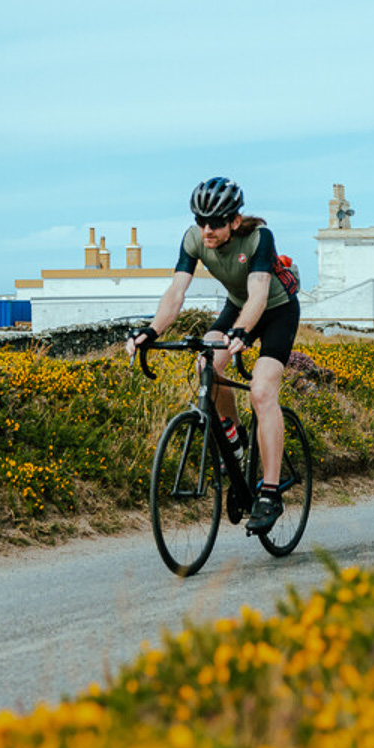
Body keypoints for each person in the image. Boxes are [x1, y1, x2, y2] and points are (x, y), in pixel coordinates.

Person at [127, 177, 300, 533]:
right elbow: (177, 292)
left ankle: (269, 491)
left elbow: (259, 294)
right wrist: (151, 330)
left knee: (262, 391)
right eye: (200, 220)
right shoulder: (193, 240)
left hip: (276, 311)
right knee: (207, 360)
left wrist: (241, 332)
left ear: (234, 221)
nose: (207, 229)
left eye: (216, 222)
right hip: (238, 307)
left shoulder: (258, 238)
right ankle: (233, 437)